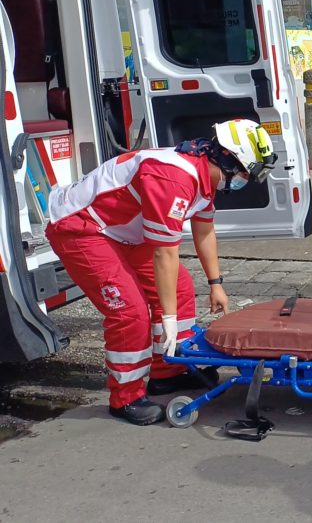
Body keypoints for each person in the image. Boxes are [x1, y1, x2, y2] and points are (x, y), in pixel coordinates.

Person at [44, 119, 277, 425]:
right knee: (130, 312)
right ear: (227, 159)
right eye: (245, 174)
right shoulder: (173, 179)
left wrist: (215, 284)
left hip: (120, 232)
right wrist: (167, 317)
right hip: (82, 229)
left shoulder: (204, 177)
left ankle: (166, 372)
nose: (243, 181)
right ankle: (125, 398)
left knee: (179, 288)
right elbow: (164, 253)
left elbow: (204, 231)